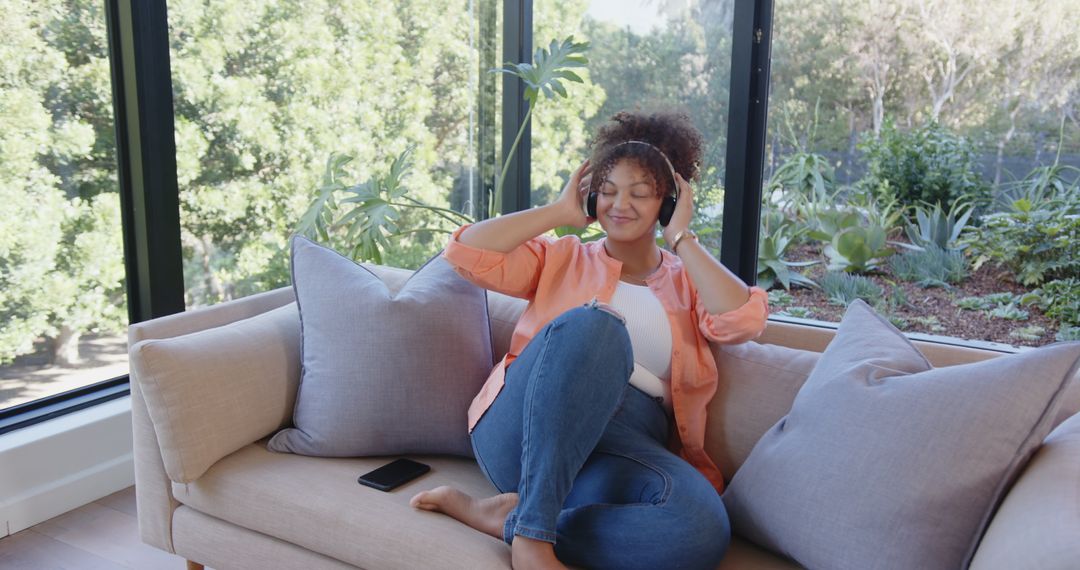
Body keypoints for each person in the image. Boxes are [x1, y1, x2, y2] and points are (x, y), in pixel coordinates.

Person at [409, 109, 769, 569]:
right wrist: (559, 213)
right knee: (597, 325)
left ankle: (506, 518)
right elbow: (464, 253)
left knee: (700, 529)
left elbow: (744, 320)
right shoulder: (561, 257)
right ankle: (533, 539)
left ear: (668, 200)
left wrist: (681, 237)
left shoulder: (687, 281)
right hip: (525, 427)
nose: (620, 205)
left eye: (641, 193)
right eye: (610, 189)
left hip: (616, 443)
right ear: (593, 192)